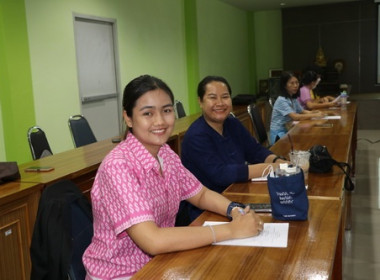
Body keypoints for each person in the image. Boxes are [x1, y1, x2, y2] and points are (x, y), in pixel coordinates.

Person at [82, 75, 263, 279]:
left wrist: (235, 210)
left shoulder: (165, 153)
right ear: (128, 118)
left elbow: (200, 194)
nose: (160, 121)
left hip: (160, 263)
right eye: (148, 113)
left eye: (166, 111)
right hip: (121, 274)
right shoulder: (118, 166)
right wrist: (231, 230)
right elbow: (153, 240)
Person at [180, 75, 287, 221]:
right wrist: (272, 168)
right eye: (212, 97)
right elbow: (221, 174)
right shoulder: (196, 136)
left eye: (225, 97)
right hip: (207, 210)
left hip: (239, 193)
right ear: (200, 101)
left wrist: (277, 160)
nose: (220, 103)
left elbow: (255, 150)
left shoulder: (232, 123)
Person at [270, 71, 324, 145]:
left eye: (297, 82)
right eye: (292, 83)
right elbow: (295, 117)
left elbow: (302, 111)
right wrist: (315, 115)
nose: (295, 85)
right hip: (279, 135)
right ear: (284, 85)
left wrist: (316, 112)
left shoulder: (293, 98)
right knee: (305, 142)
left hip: (289, 130)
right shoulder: (281, 100)